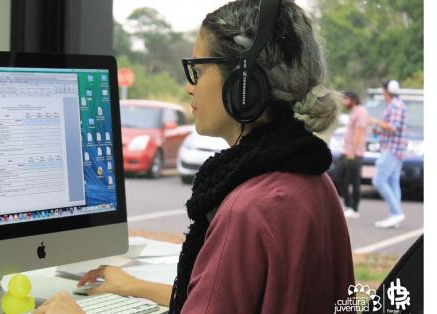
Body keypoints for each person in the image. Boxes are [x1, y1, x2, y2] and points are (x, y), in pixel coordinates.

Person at [35, 0, 355, 313]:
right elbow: (226, 296)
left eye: (198, 71)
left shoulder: (247, 210)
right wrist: (133, 286)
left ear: (243, 85)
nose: (190, 88)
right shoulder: (313, 181)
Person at [370, 80, 407, 228]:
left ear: (387, 91)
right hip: (395, 149)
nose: (382, 93)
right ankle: (395, 216)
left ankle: (397, 213)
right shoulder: (395, 105)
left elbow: (393, 128)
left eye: (383, 90)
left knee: (378, 180)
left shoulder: (396, 106)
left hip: (392, 149)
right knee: (393, 182)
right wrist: (378, 130)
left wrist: (376, 122)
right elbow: (389, 129)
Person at [336, 91, 369, 218]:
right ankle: (348, 204)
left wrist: (352, 151)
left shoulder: (360, 111)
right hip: (347, 151)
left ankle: (354, 209)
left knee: (354, 180)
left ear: (352, 99)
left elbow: (359, 132)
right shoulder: (354, 111)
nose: (344, 102)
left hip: (354, 152)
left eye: (346, 99)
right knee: (339, 176)